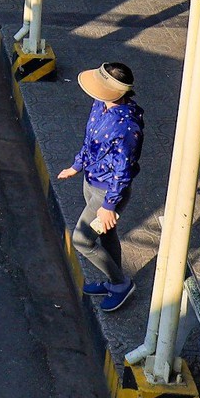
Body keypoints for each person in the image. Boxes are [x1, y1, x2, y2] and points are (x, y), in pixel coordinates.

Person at [57, 61, 143, 311]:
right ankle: (114, 282)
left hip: (106, 192)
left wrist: (109, 206)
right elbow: (90, 140)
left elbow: (123, 171)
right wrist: (77, 165)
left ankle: (121, 283)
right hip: (92, 181)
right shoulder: (100, 104)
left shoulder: (127, 128)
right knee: (106, 234)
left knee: (82, 240)